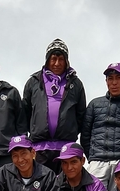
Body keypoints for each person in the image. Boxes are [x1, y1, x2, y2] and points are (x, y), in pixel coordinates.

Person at [22, 39, 87, 173]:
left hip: (66, 149)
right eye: (53, 59)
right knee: (40, 184)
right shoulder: (33, 82)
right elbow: (25, 113)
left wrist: (70, 129)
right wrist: (35, 129)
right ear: (47, 60)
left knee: (65, 185)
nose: (57, 63)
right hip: (39, 149)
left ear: (66, 61)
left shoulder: (76, 84)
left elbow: (81, 115)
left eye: (61, 59)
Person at [81, 62, 120, 189]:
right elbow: (85, 135)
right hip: (97, 163)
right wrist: (92, 158)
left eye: (118, 78)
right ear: (106, 81)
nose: (114, 83)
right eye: (110, 78)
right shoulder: (94, 105)